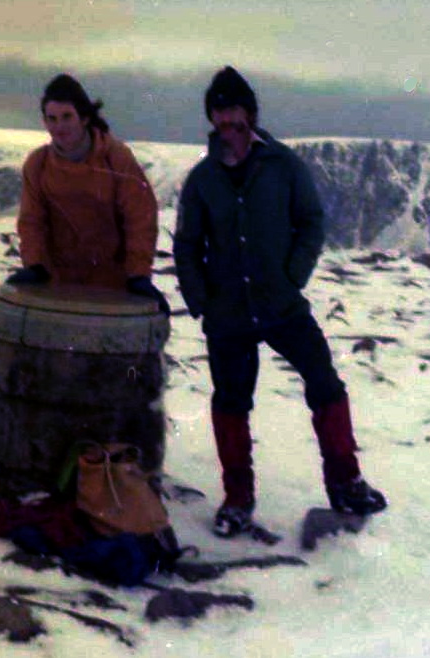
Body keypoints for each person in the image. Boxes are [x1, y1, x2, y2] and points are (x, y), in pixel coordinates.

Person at [173, 66, 387, 537]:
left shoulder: (285, 166)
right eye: (219, 111)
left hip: (282, 305)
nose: (228, 119)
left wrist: (292, 275)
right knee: (231, 403)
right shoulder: (203, 179)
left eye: (235, 110)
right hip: (228, 314)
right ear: (211, 118)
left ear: (250, 113)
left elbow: (311, 221)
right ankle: (237, 499)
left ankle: (346, 482)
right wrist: (201, 299)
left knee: (324, 383)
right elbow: (187, 244)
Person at [8, 74, 169, 313]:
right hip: (58, 288)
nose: (59, 126)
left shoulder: (116, 159)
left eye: (66, 117)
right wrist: (35, 265)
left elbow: (140, 218)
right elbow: (32, 222)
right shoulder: (38, 165)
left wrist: (138, 274)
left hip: (113, 289)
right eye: (51, 118)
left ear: (84, 118)